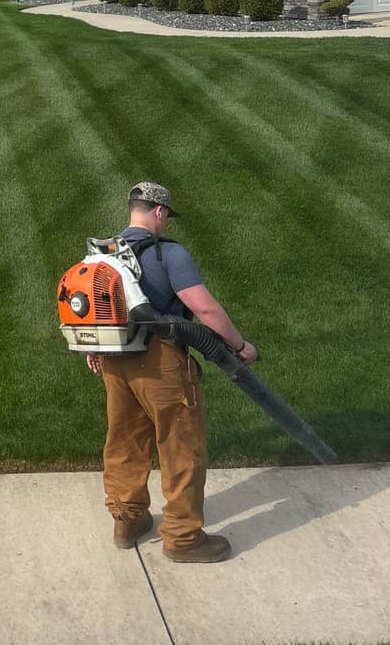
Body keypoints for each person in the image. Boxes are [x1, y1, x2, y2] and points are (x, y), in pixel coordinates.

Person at [86, 181, 258, 563]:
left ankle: (127, 520)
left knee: (125, 440)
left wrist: (95, 348)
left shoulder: (105, 252)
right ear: (159, 212)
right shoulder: (168, 253)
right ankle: (183, 537)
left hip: (115, 360)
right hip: (160, 360)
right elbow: (206, 310)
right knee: (182, 446)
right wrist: (240, 346)